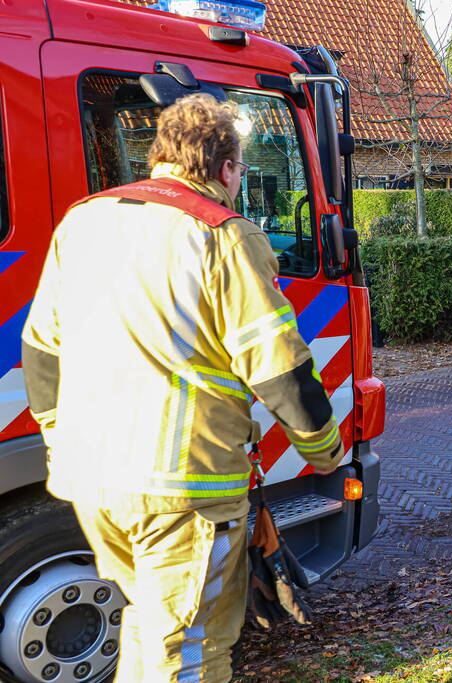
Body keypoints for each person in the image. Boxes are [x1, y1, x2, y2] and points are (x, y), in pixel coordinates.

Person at [21, 94, 344, 682]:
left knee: (150, 624)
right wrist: (324, 451)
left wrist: (55, 438)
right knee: (190, 651)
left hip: (91, 479)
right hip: (183, 490)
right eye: (242, 170)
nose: (240, 181)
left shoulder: (83, 219)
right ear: (225, 169)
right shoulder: (223, 234)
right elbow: (279, 367)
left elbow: (42, 349)